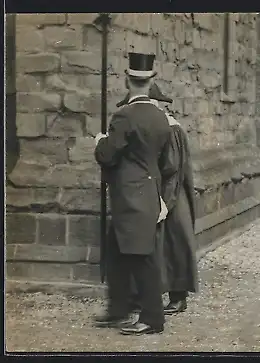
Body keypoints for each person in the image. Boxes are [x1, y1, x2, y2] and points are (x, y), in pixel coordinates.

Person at [93, 52, 173, 335]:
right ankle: (119, 309)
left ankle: (152, 319)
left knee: (142, 258)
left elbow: (107, 156)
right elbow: (164, 162)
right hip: (148, 193)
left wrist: (101, 141)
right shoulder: (161, 118)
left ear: (127, 80)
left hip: (129, 196)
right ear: (151, 82)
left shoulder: (124, 116)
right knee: (117, 253)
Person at [116, 84, 199, 316]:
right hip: (155, 190)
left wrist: (165, 201)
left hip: (170, 192)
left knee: (174, 243)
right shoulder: (156, 126)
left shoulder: (170, 129)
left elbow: (172, 168)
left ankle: (177, 295)